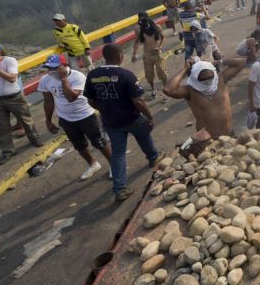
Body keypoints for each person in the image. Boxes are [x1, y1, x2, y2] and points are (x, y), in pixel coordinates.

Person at [83, 44, 160, 202]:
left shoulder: (92, 75)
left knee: (118, 153)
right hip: (131, 117)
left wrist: (105, 109)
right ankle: (153, 159)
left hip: (111, 121)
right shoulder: (126, 74)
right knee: (144, 135)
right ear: (119, 56)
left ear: (104, 57)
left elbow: (90, 100)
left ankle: (120, 189)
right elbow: (138, 100)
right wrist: (149, 116)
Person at [39, 54, 111, 181]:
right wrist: (48, 121)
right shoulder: (45, 80)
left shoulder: (77, 76)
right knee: (79, 145)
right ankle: (93, 164)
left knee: (99, 142)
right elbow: (48, 101)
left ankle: (114, 165)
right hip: (66, 119)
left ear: (64, 66)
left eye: (55, 68)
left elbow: (71, 97)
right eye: (48, 68)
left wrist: (64, 80)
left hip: (85, 115)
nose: (51, 71)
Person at [0, 41, 43, 164]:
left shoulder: (9, 61)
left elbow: (12, 78)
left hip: (14, 97)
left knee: (26, 120)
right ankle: (8, 151)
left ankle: (35, 139)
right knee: (1, 127)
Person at [163, 58, 246, 147]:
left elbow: (241, 62)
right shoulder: (190, 90)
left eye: (210, 78)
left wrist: (215, 62)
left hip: (229, 134)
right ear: (195, 77)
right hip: (207, 140)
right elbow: (168, 89)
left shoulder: (221, 79)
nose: (208, 82)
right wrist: (185, 69)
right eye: (204, 80)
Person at [131, 12, 168, 102]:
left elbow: (163, 37)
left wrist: (159, 47)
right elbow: (136, 42)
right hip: (147, 54)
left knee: (162, 73)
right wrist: (134, 54)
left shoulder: (157, 27)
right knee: (149, 75)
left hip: (157, 53)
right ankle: (153, 90)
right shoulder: (138, 29)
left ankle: (166, 91)